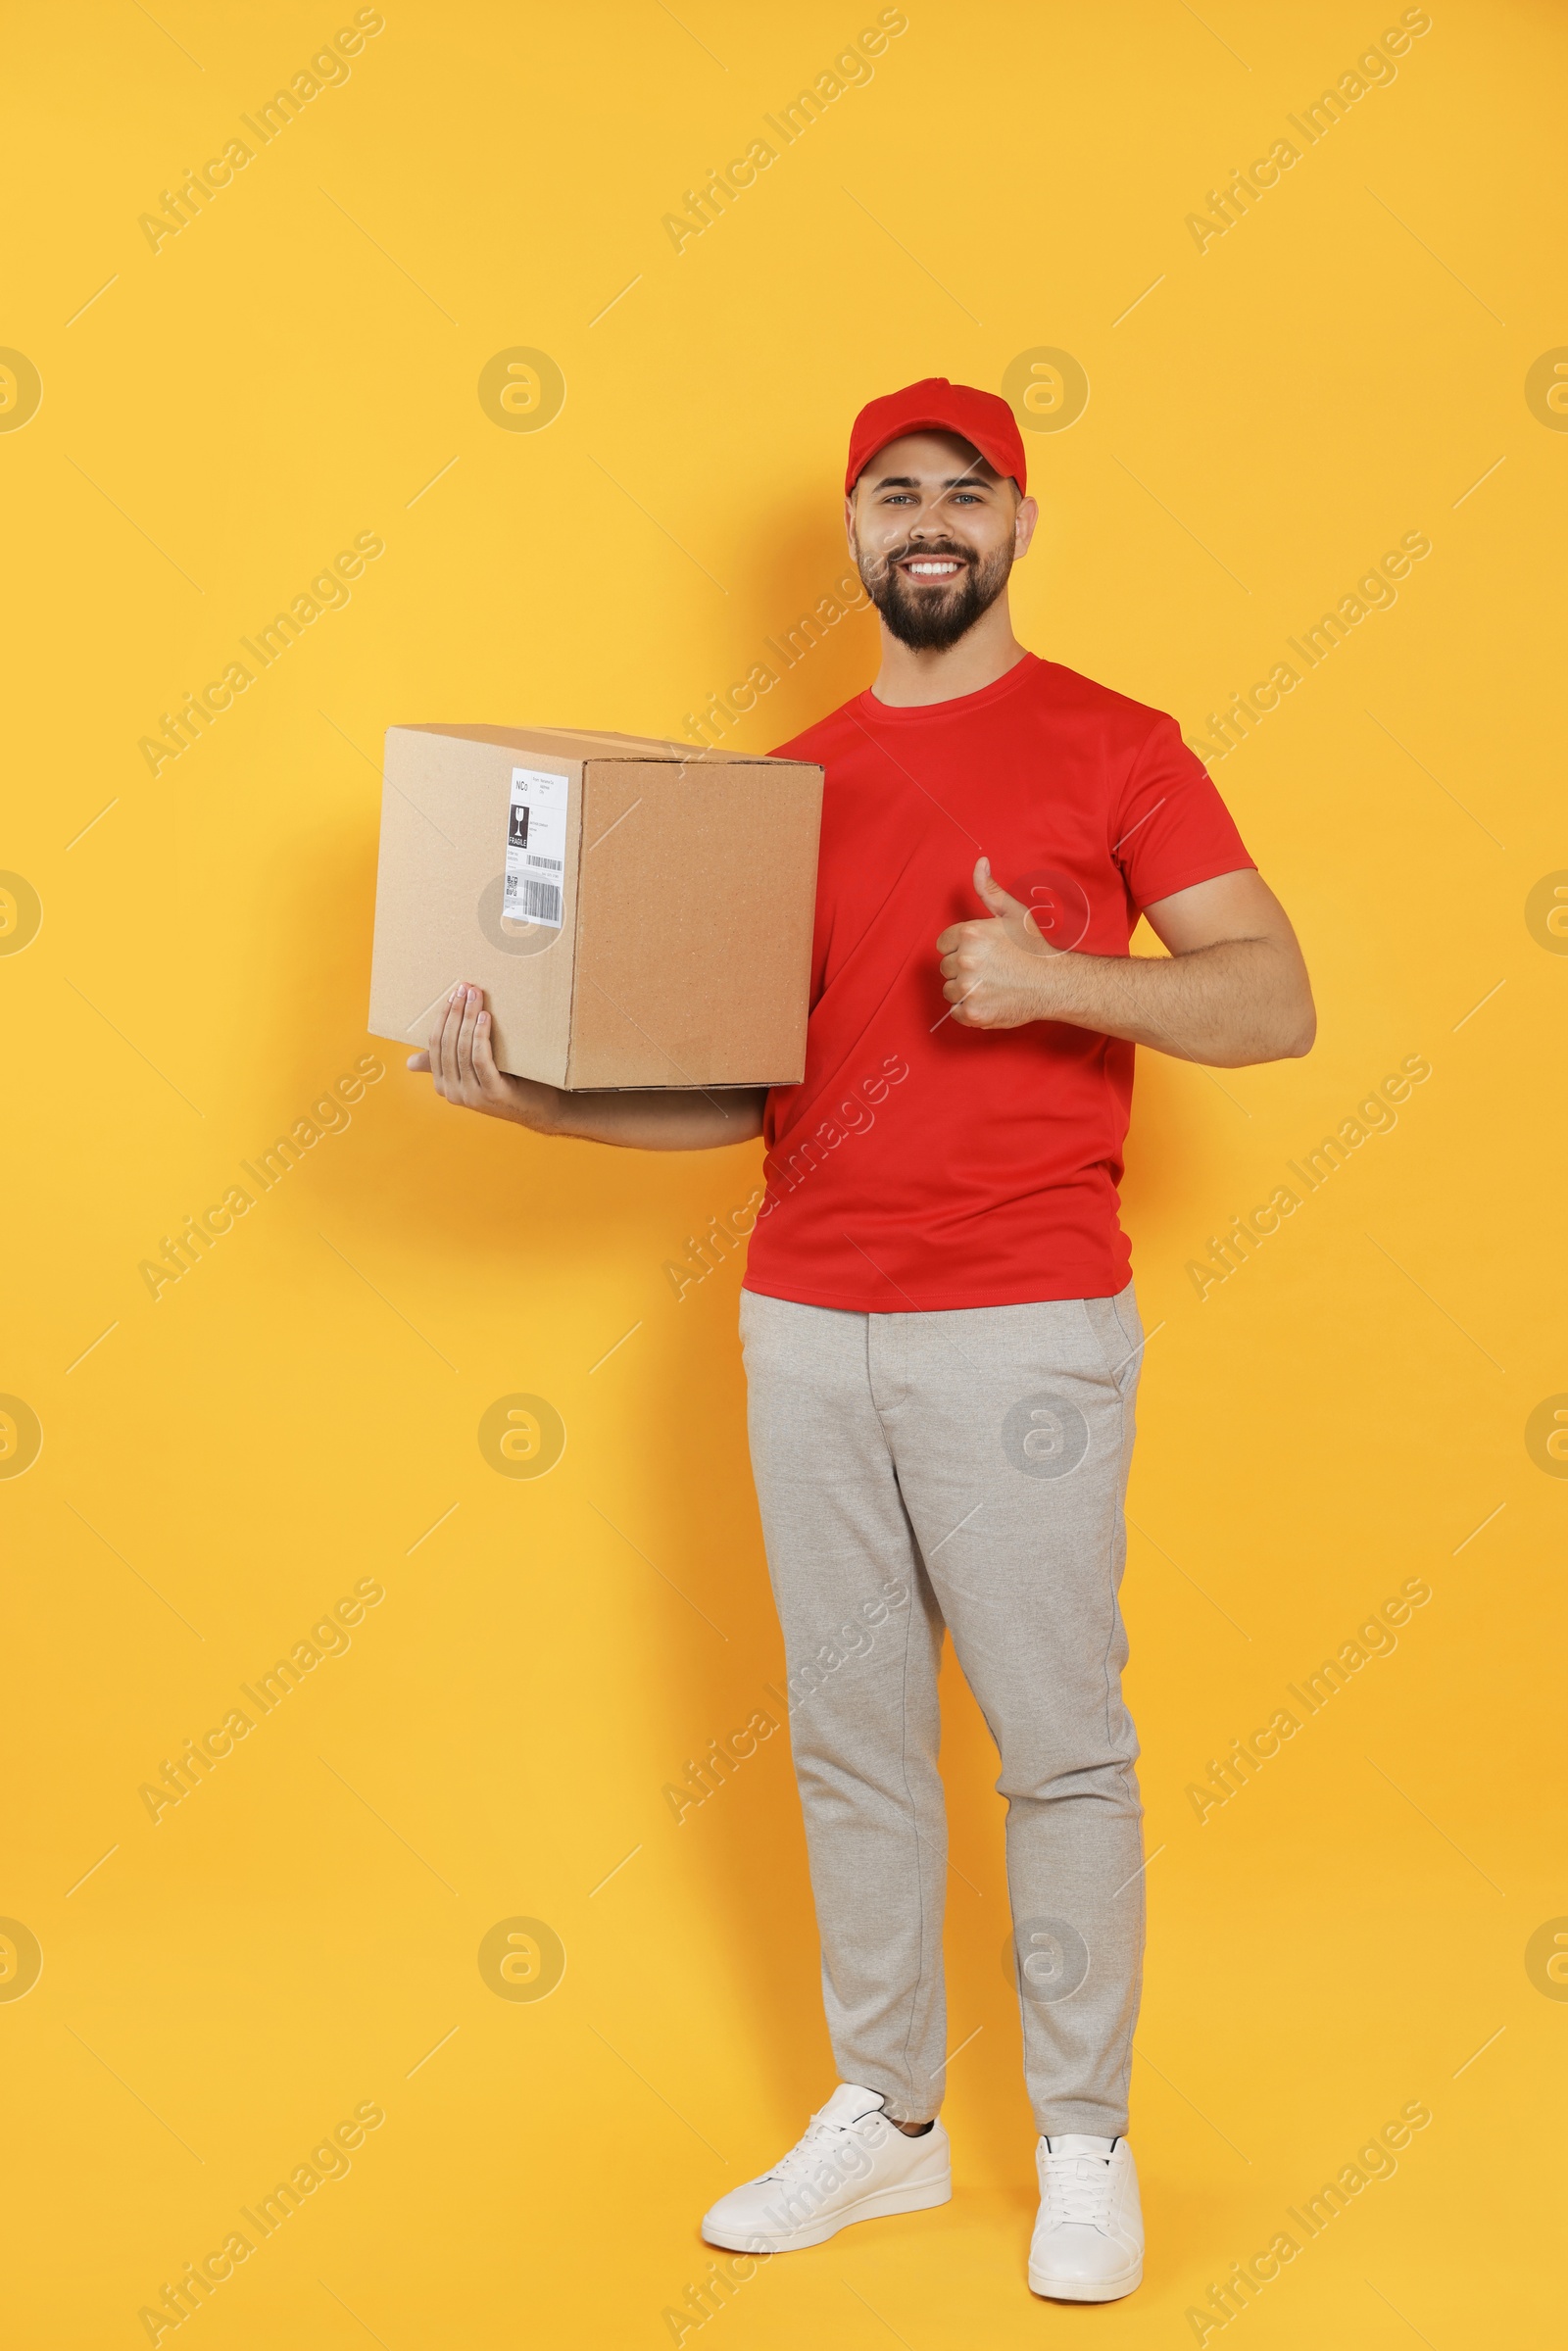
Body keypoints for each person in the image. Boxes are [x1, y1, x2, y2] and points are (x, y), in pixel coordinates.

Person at [408, 377, 1314, 2302]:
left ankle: (1081, 2144)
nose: (927, 520)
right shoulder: (782, 791)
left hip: (1021, 1330)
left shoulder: (1116, 745)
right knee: (848, 1747)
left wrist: (1056, 976)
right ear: (848, 534)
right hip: (806, 1326)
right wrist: (530, 1105)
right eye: (891, 493)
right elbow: (730, 1095)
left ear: (1013, 524)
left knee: (1057, 1750)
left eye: (961, 492)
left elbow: (1269, 1003)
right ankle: (887, 2126)